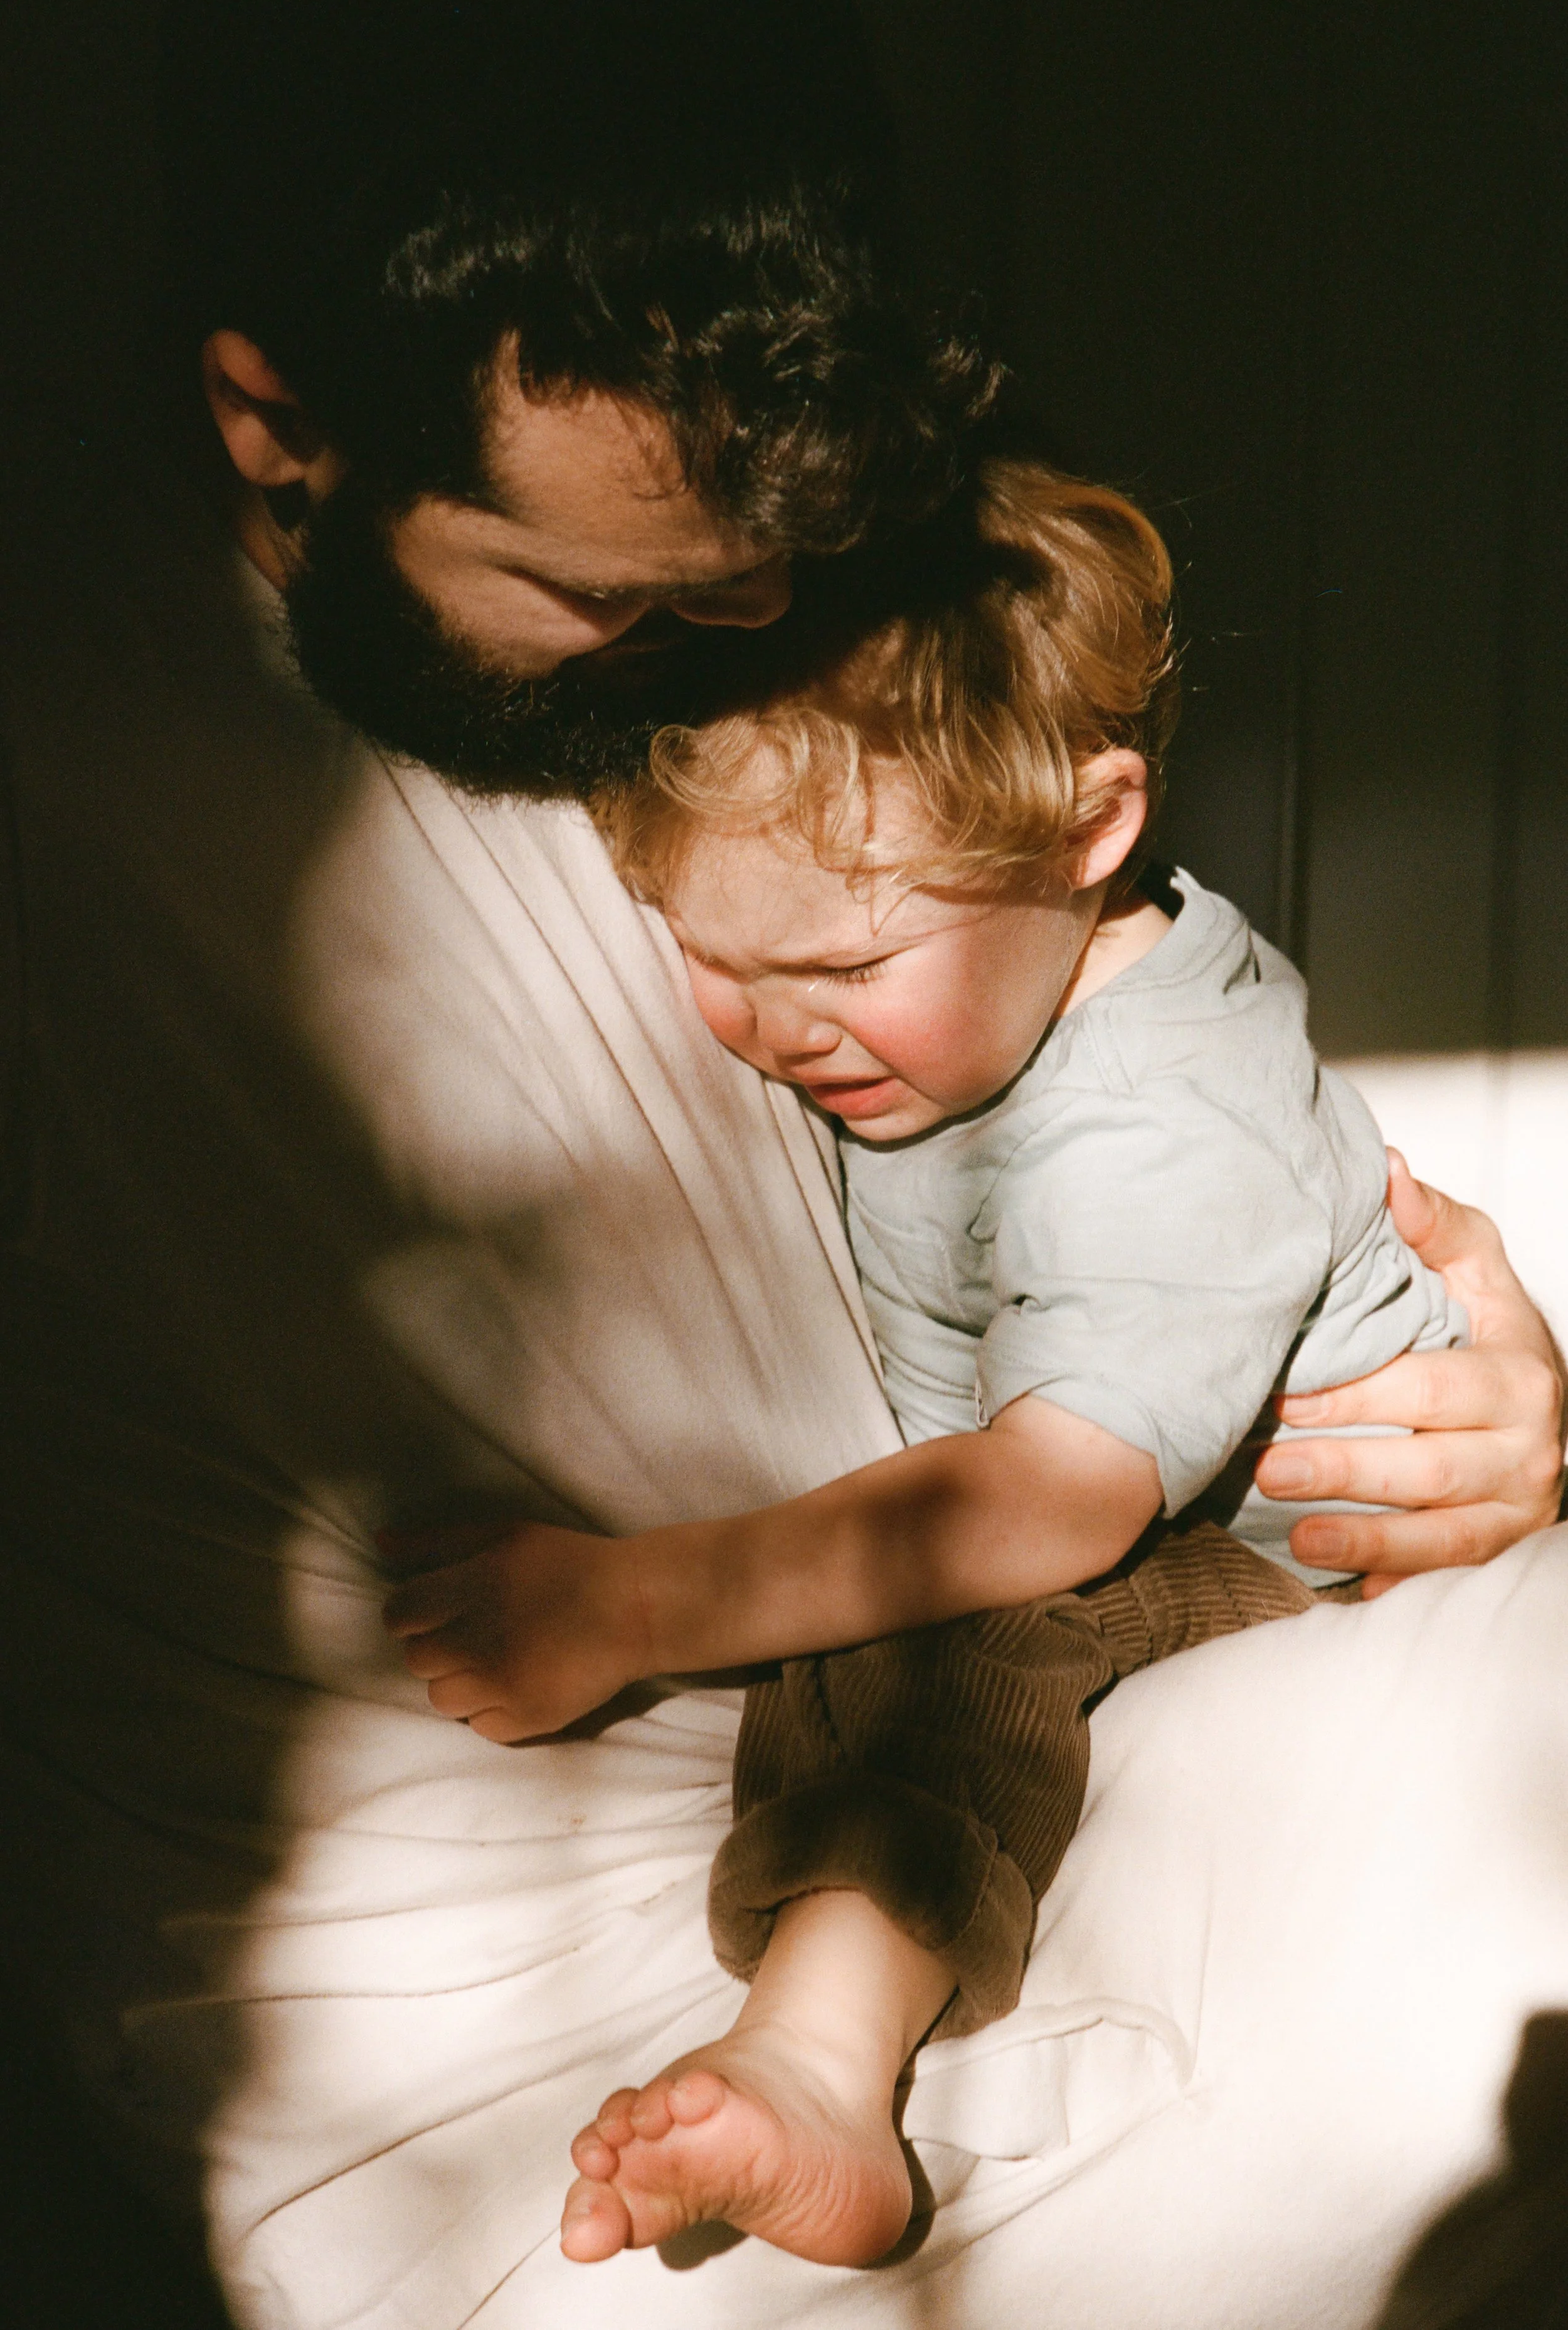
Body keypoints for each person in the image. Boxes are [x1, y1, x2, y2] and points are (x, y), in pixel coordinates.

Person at [1, 0, 1562, 2324]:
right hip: (526, 2012)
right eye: (616, 599)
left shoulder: (812, 573)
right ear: (275, 426)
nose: (732, 640)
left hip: (1041, 1703)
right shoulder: (90, 786)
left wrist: (1475, 1390)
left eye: (775, 569)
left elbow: (1147, 1099)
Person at [382, 457, 1463, 2265]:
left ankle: (818, 2072)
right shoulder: (939, 990)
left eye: (847, 961)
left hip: (1298, 1544)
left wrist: (628, 1606)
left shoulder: (1168, 1129)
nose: (779, 1028)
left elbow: (1042, 1508)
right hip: (1118, 1486)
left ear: (1084, 826)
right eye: (713, 963)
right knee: (858, 1598)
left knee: (945, 1608)